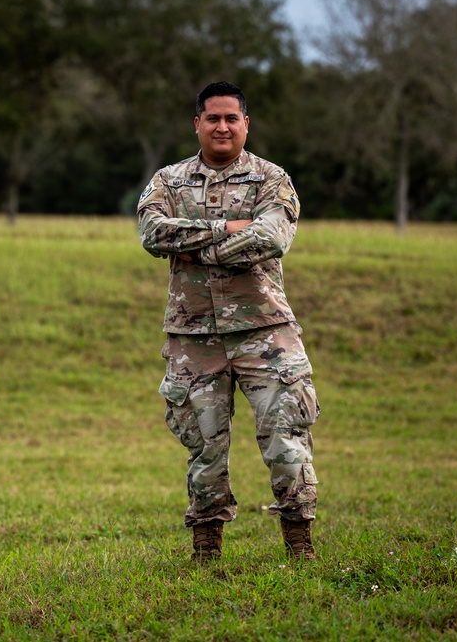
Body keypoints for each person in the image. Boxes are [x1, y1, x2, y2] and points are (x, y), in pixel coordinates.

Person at [137, 80, 320, 561]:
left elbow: (271, 238)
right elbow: (152, 233)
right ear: (196, 123)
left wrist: (197, 244)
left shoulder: (272, 179)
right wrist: (226, 228)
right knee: (204, 446)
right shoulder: (167, 181)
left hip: (265, 333)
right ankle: (206, 550)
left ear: (246, 124)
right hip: (193, 335)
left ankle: (300, 545)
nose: (222, 126)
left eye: (231, 118)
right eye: (212, 118)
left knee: (286, 436)